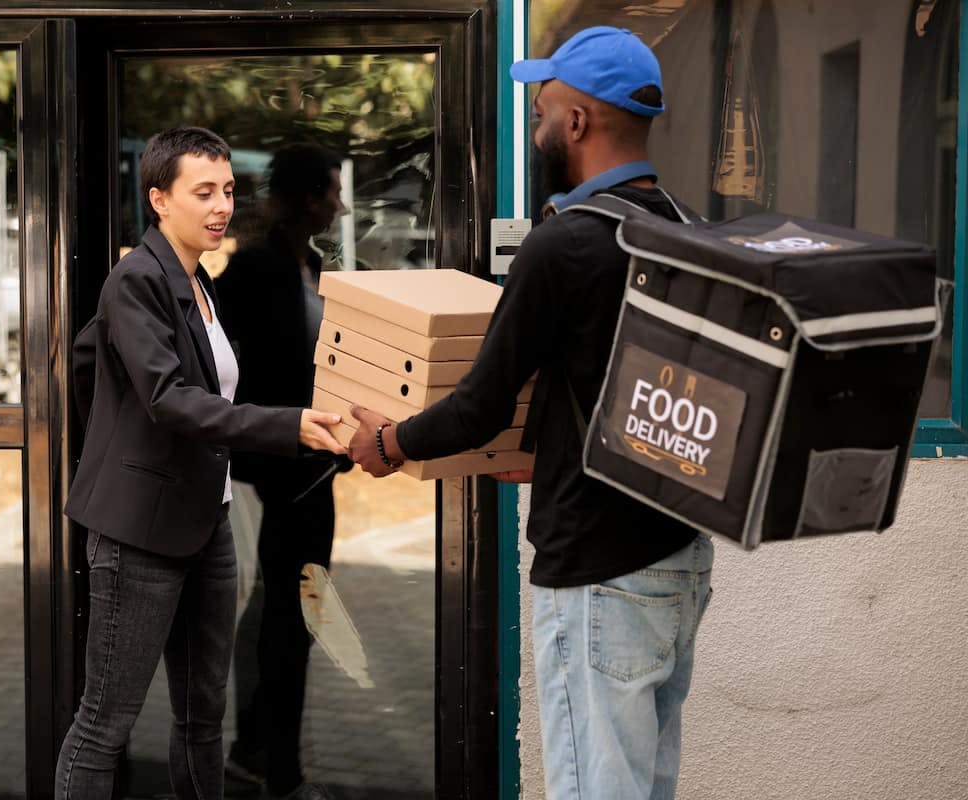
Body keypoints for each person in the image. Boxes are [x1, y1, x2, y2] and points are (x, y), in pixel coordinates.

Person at [347, 27, 714, 800]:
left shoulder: (568, 246)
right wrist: (550, 451)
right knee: (642, 786)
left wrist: (386, 441)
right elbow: (631, 389)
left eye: (544, 102)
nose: (537, 116)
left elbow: (479, 404)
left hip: (597, 572)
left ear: (577, 121)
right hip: (676, 559)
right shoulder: (684, 229)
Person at [56, 126, 345, 800]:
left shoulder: (202, 282)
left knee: (203, 719)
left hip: (205, 522)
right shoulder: (136, 280)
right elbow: (167, 399)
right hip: (139, 536)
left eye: (229, 191)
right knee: (104, 724)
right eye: (204, 192)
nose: (222, 206)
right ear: (159, 199)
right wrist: (288, 427)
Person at [216, 142, 348, 800]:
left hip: (315, 468)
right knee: (286, 619)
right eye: (330, 192)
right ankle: (279, 773)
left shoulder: (313, 266)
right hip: (273, 471)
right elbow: (208, 351)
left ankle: (257, 751)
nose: (340, 205)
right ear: (303, 198)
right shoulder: (255, 268)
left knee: (295, 614)